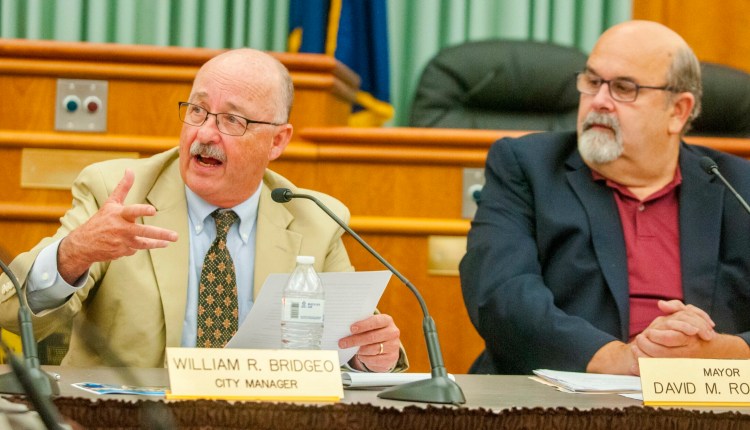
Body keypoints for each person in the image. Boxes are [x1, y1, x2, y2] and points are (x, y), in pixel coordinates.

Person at [0, 48, 406, 372]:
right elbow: (14, 312)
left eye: (232, 119)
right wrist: (75, 252)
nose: (204, 134)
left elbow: (353, 341)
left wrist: (370, 355)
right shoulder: (118, 194)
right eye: (197, 111)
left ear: (277, 141)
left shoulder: (314, 218)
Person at [460, 20, 750, 375]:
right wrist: (620, 359)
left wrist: (728, 354)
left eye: (624, 88)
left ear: (678, 111)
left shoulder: (737, 185)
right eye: (593, 82)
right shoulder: (527, 168)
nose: (599, 102)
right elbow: (501, 294)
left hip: (704, 402)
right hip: (557, 399)